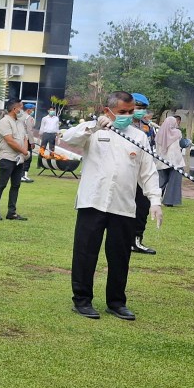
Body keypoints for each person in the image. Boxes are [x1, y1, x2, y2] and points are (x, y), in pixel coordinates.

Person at [62, 91, 162, 321]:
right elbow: (68, 138)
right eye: (122, 112)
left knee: (119, 257)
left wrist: (155, 200)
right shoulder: (94, 130)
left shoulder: (139, 137)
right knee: (86, 253)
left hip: (123, 206)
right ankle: (82, 300)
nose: (128, 116)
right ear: (108, 111)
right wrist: (94, 126)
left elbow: (148, 172)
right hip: (93, 202)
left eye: (130, 111)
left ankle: (116, 302)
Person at [0, 98, 30, 221]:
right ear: (14, 109)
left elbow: (24, 138)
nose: (22, 110)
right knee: (2, 184)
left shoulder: (20, 122)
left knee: (16, 185)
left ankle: (11, 212)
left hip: (19, 159)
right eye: (21, 107)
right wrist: (24, 151)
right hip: (7, 157)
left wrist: (23, 153)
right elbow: (10, 140)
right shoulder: (4, 122)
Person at [130, 93, 157, 254]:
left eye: (142, 109)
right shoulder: (120, 125)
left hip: (143, 172)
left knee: (142, 206)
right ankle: (123, 239)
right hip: (126, 173)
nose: (140, 112)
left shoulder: (147, 127)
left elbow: (152, 147)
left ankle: (136, 240)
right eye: (137, 108)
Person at [155, 114, 184, 207]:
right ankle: (169, 201)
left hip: (162, 160)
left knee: (161, 181)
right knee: (174, 181)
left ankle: (154, 198)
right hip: (176, 161)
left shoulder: (159, 133)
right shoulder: (177, 133)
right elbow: (181, 143)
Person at [20, 102, 36, 182]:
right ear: (29, 110)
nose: (33, 111)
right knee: (28, 157)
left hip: (19, 139)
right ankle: (24, 175)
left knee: (21, 156)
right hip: (26, 140)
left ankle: (20, 174)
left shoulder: (20, 116)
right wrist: (32, 142)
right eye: (33, 109)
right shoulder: (28, 118)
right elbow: (30, 131)